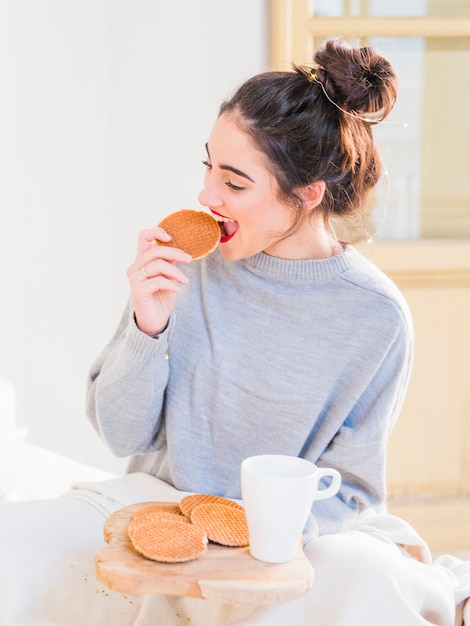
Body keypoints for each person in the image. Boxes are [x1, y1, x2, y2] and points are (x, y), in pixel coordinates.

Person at [0, 38, 469, 626]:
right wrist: (148, 324)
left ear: (307, 194)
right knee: (11, 552)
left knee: (364, 582)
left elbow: (350, 490)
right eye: (208, 167)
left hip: (286, 539)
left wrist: (250, 545)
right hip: (156, 507)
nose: (206, 196)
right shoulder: (185, 267)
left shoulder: (376, 317)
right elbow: (122, 437)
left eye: (234, 182)